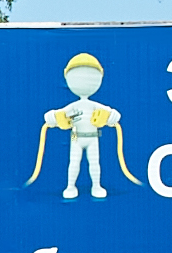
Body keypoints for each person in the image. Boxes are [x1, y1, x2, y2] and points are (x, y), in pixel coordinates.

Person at [30, 52, 123, 197]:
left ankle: (96, 186)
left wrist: (112, 117)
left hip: (93, 137)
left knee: (94, 163)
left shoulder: (94, 105)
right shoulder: (73, 106)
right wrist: (52, 117)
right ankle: (70, 186)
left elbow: (112, 113)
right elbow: (56, 114)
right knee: (74, 162)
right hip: (75, 137)